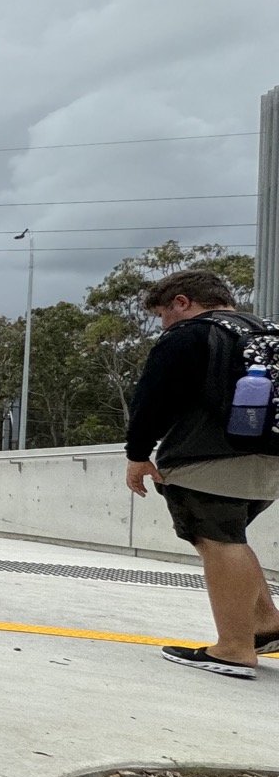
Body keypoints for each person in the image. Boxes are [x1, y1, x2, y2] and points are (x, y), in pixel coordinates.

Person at [125, 268, 279, 679]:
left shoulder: (192, 334)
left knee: (217, 540)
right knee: (231, 538)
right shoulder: (267, 330)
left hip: (210, 455)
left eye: (163, 313)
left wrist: (137, 454)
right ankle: (264, 624)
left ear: (182, 302)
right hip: (269, 456)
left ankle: (233, 649)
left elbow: (153, 397)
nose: (163, 324)